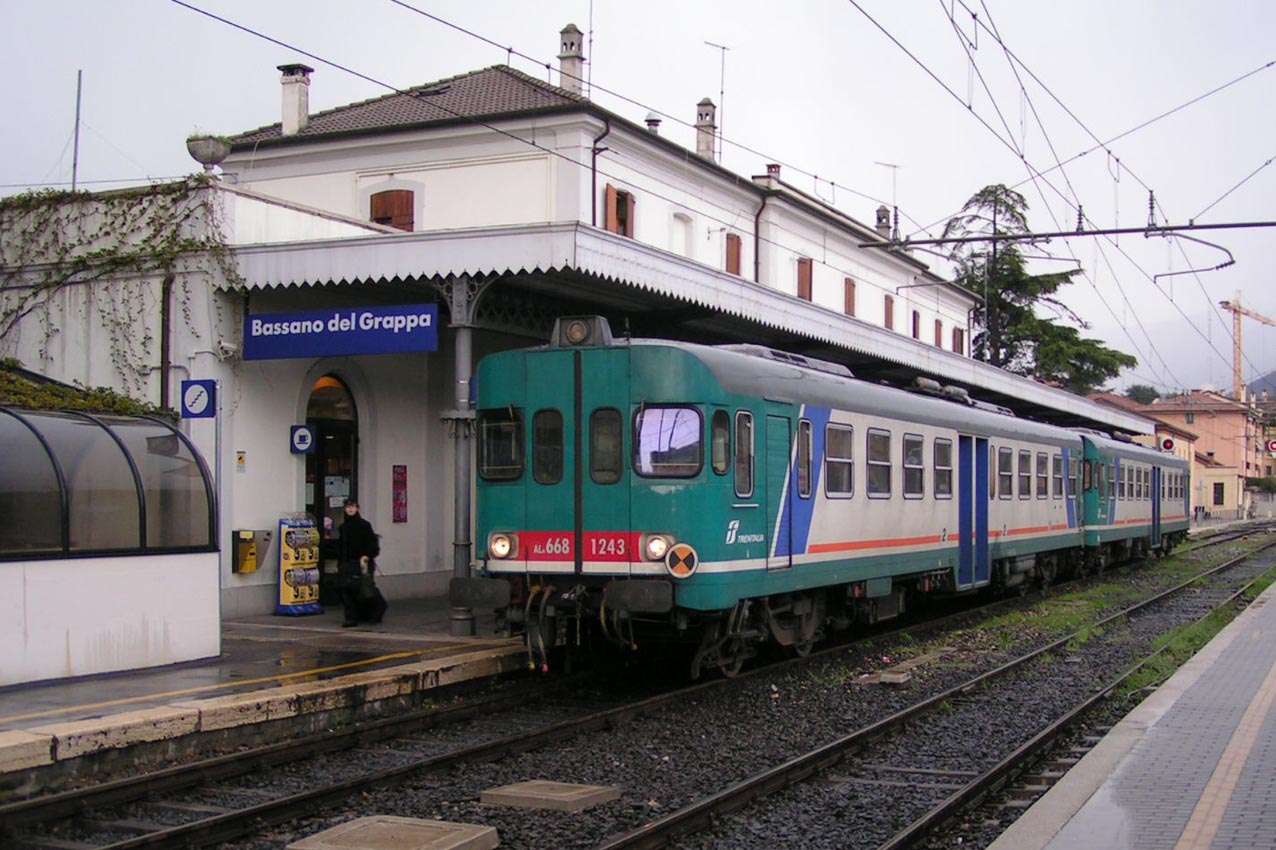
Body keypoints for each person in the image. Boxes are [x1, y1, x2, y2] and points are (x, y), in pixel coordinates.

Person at [337, 498, 386, 626]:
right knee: (346, 589)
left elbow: (372, 544)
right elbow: (342, 546)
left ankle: (376, 611)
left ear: (357, 508)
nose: (350, 509)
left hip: (362, 563)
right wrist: (340, 563)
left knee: (364, 589)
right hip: (347, 563)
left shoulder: (364, 525)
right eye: (348, 507)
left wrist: (367, 556)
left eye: (352, 506)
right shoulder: (343, 527)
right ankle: (351, 618)